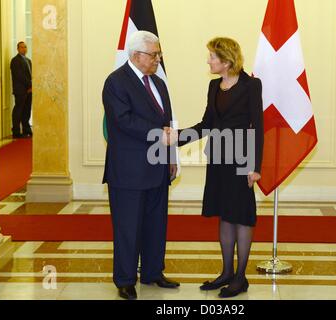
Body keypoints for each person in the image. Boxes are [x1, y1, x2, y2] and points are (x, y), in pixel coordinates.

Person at [178, 37, 264, 298]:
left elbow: (258, 127)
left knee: (241, 214)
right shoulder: (214, 86)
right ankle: (226, 272)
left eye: (212, 57)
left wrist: (255, 166)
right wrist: (178, 137)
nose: (208, 61)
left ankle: (240, 277)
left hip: (241, 159)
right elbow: (206, 124)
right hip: (217, 158)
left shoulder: (251, 85)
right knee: (225, 214)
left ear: (226, 61)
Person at [102, 30, 179, 301]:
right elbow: (123, 121)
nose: (158, 58)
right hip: (129, 171)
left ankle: (152, 272)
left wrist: (170, 157)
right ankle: (124, 280)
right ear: (136, 55)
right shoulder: (116, 82)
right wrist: (159, 135)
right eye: (154, 54)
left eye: (159, 53)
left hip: (158, 167)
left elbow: (167, 122)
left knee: (156, 224)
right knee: (127, 227)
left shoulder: (158, 83)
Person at [10, 41, 33, 138]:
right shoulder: (15, 60)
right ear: (18, 49)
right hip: (20, 90)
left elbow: (30, 75)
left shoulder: (28, 60)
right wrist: (30, 85)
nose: (24, 49)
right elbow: (19, 76)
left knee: (27, 110)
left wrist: (31, 87)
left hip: (29, 90)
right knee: (18, 110)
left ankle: (26, 130)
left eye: (25, 47)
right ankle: (16, 132)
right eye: (22, 47)